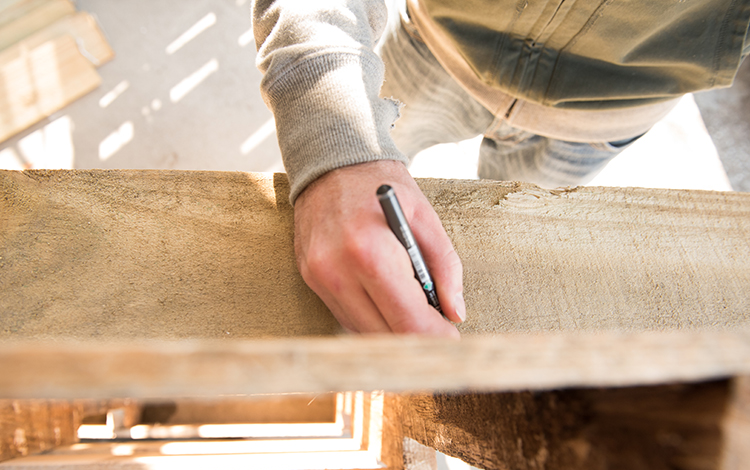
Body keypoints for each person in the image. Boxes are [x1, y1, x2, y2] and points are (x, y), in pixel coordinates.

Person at [252, 0, 750, 337]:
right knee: (357, 236)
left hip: (605, 116)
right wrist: (332, 142)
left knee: (495, 264)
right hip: (436, 45)